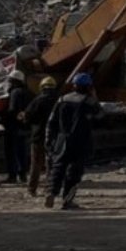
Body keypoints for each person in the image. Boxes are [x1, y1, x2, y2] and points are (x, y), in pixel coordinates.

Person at [45, 73, 102, 209]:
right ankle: (67, 200)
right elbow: (100, 116)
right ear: (88, 86)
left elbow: (51, 121)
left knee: (58, 168)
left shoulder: (62, 99)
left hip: (62, 139)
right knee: (74, 172)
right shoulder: (89, 101)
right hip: (80, 140)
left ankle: (52, 192)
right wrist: (95, 97)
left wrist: (49, 139)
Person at [22, 76, 60, 197]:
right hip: (55, 137)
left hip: (38, 136)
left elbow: (27, 117)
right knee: (52, 163)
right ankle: (50, 189)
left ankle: (32, 189)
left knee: (36, 164)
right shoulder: (60, 100)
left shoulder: (38, 100)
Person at [1, 70, 32, 184]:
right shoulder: (28, 92)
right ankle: (22, 174)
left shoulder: (15, 93)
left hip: (13, 127)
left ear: (14, 81)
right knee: (21, 151)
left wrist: (3, 117)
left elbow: (12, 110)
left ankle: (12, 176)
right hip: (24, 127)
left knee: (11, 152)